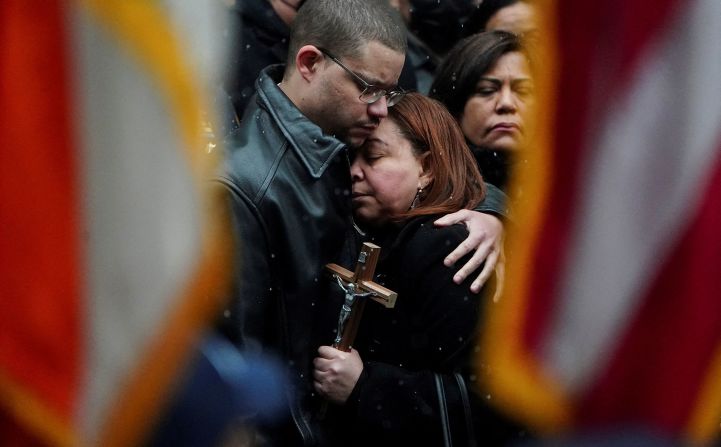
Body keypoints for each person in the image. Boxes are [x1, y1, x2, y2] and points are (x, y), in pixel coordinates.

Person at [217, 1, 507, 445]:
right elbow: (239, 373)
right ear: (310, 63)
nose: (378, 110)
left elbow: (429, 154)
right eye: (369, 88)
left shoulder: (332, 143)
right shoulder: (250, 188)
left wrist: (491, 212)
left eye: (388, 93)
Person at [312, 93, 526, 446]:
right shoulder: (382, 235)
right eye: (353, 157)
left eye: (374, 156)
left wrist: (367, 387)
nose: (354, 172)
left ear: (426, 168)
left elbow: (490, 403)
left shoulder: (449, 246)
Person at [430, 30, 535, 193]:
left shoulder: (576, 190)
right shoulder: (427, 183)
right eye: (486, 90)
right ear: (455, 109)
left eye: (523, 91)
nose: (506, 103)